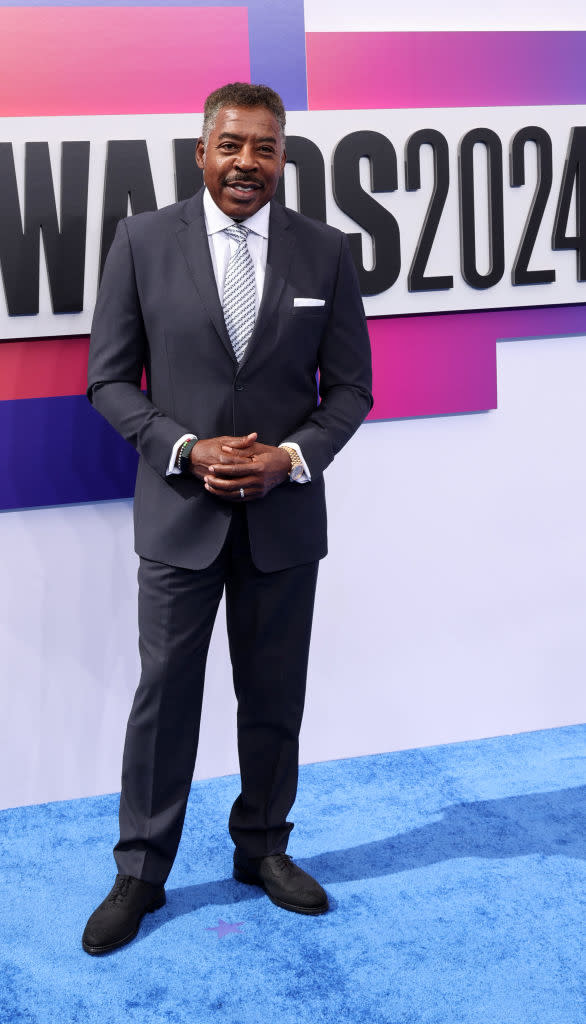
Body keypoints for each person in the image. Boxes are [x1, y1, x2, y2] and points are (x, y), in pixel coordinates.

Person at [83, 82, 373, 955]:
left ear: (284, 157)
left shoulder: (325, 252)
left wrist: (288, 459)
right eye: (233, 145)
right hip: (179, 515)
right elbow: (107, 379)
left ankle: (264, 849)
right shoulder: (140, 242)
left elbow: (351, 390)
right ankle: (140, 870)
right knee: (164, 698)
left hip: (284, 520)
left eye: (267, 148)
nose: (249, 162)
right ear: (202, 150)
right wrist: (185, 449)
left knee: (274, 695)